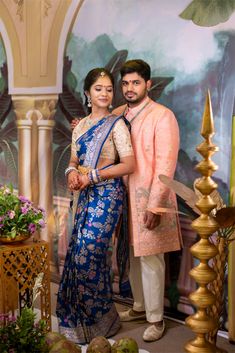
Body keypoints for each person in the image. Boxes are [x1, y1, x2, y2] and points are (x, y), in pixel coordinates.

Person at [56, 68, 135, 344]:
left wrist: (92, 176)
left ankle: (99, 320)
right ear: (88, 93)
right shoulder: (80, 126)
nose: (104, 93)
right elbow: (74, 159)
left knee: (90, 255)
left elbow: (128, 164)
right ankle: (91, 323)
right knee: (78, 256)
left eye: (108, 89)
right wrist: (70, 173)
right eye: (99, 88)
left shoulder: (117, 125)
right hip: (84, 196)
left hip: (107, 196)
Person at [113, 59, 182, 342]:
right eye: (126, 83)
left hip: (150, 198)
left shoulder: (162, 116)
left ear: (148, 84)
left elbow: (166, 164)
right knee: (133, 254)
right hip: (125, 198)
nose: (130, 88)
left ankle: (156, 318)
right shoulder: (120, 114)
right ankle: (140, 307)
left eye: (136, 83)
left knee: (152, 258)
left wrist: (155, 205)